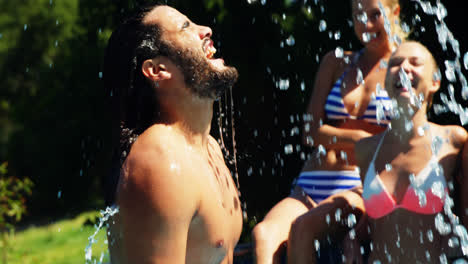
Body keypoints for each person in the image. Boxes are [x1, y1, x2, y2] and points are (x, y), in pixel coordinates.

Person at [252, 0, 406, 263]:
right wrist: (361, 139)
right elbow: (310, 132)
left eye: (374, 14)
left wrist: (334, 135)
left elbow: (403, 142)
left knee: (302, 229)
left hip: (358, 187)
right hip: (311, 182)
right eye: (358, 16)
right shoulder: (336, 62)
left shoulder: (404, 69)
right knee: (262, 235)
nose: (366, 24)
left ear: (395, 11)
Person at [102, 4, 242, 264]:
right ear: (157, 70)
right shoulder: (160, 161)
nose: (206, 30)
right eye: (186, 26)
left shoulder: (208, 146)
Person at [351, 41, 468, 262]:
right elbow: (372, 224)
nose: (404, 68)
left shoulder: (454, 141)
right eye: (395, 63)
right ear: (385, 82)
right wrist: (351, 240)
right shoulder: (366, 150)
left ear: (435, 82)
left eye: (415, 63)